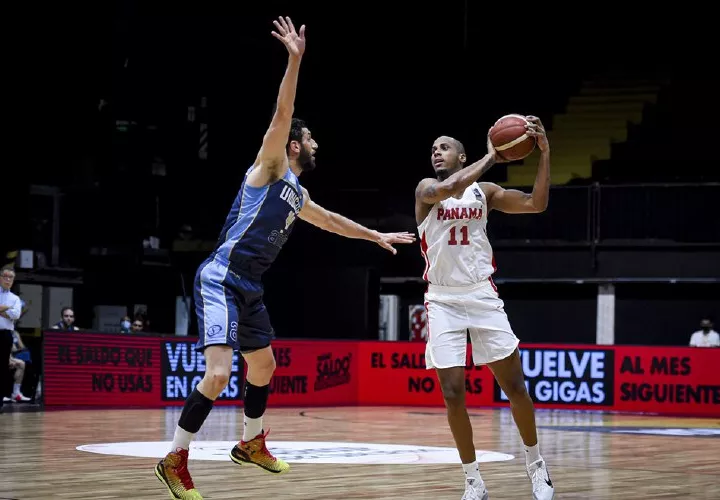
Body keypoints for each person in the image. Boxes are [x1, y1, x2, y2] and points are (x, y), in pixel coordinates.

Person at [155, 16, 415, 500]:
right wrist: (295, 60)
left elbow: (331, 220)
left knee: (265, 367)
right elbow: (283, 111)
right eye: (311, 139)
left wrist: (374, 235)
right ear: (294, 145)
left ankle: (251, 443)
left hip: (250, 285)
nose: (317, 144)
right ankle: (175, 459)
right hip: (221, 278)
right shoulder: (270, 166)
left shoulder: (297, 194)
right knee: (217, 374)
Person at [414, 117, 554, 500]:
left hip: (481, 294)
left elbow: (536, 204)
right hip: (441, 298)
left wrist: (544, 154)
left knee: (514, 385)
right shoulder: (427, 189)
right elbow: (448, 188)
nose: (436, 153)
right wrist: (492, 155)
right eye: (433, 150)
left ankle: (536, 465)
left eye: (444, 147)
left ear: (461, 154)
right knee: (452, 392)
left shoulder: (485, 192)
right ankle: (473, 480)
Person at [0, 268, 23, 412]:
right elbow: (10, 312)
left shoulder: (15, 298)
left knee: (2, 368)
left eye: (11, 278)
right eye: (5, 276)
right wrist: (5, 309)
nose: (8, 279)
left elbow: (15, 315)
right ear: (0, 277)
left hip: (4, 335)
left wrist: (2, 310)